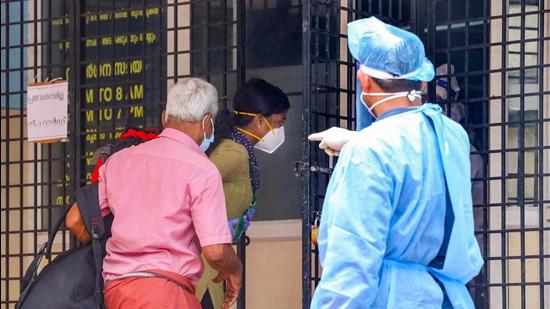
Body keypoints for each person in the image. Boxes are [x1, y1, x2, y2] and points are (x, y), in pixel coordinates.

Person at [308, 17, 483, 308]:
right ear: (420, 76)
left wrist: (360, 147)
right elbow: (419, 164)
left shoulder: (370, 150)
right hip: (449, 299)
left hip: (394, 298)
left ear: (363, 78)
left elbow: (352, 261)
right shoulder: (453, 136)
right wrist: (359, 142)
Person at [97, 78, 242, 309]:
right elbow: (215, 252)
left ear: (165, 117)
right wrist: (234, 268)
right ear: (207, 122)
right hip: (166, 291)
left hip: (116, 291)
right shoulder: (202, 170)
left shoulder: (118, 161)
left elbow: (79, 219)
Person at [196, 78, 290, 308]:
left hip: (214, 263)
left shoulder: (236, 147)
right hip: (204, 266)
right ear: (259, 120)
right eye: (279, 122)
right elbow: (193, 184)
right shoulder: (234, 152)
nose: (279, 130)